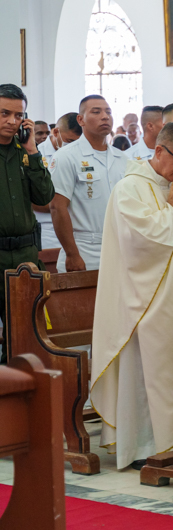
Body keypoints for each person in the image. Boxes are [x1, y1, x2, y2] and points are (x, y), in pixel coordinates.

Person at [89, 122, 173, 470]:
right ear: (159, 151)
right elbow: (140, 243)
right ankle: (145, 446)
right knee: (151, 372)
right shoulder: (129, 190)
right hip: (147, 301)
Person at [0, 84, 55, 362]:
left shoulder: (26, 153)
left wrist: (32, 151)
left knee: (24, 336)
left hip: (24, 255)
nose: (12, 121)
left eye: (18, 115)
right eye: (4, 113)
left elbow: (45, 197)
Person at [50, 95, 129, 272]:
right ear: (81, 120)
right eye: (96, 112)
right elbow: (57, 207)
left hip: (120, 247)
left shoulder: (123, 158)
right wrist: (72, 254)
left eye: (108, 112)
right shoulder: (66, 156)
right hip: (84, 248)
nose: (105, 116)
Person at [35, 112, 81, 250]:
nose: (73, 146)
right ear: (56, 132)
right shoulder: (36, 154)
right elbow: (30, 198)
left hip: (77, 226)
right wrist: (60, 205)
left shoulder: (80, 154)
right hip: (46, 228)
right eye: (71, 141)